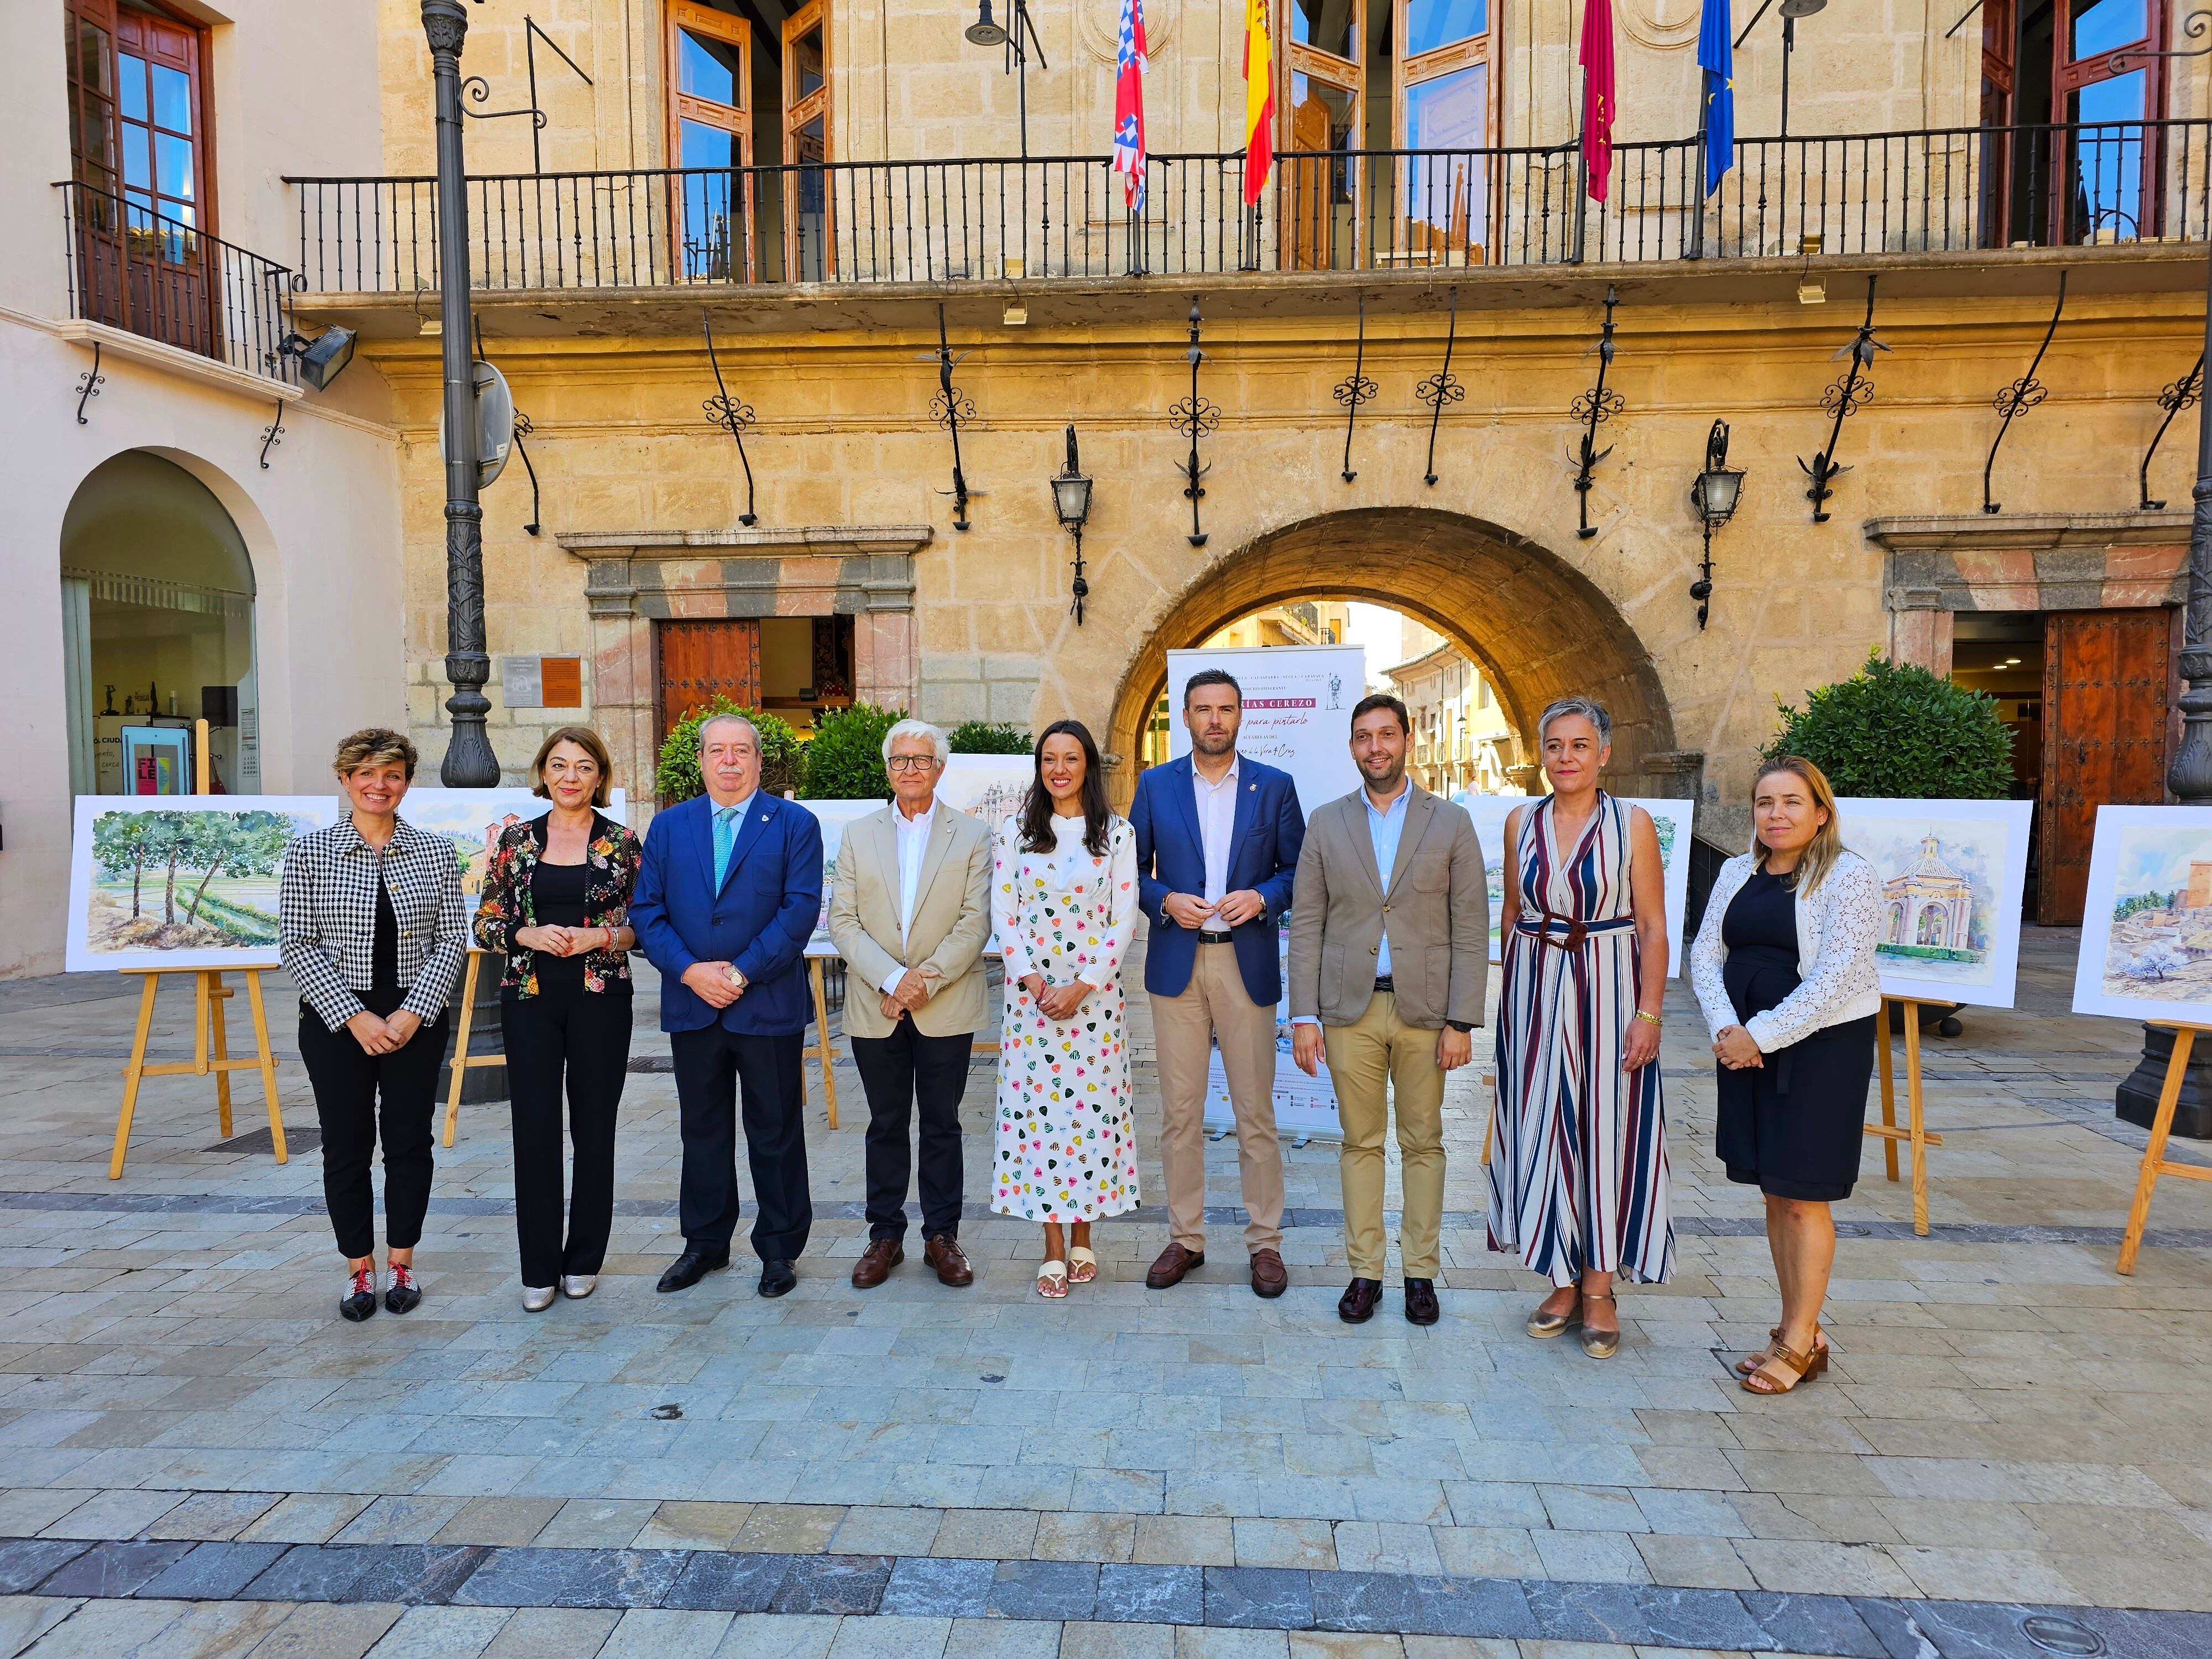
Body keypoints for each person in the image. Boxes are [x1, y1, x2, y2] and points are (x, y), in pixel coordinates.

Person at [1288, 693, 1486, 1328]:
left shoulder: (1449, 822)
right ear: (1352, 747)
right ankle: (1364, 1272)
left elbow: (1471, 927)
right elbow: (1309, 922)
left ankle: (1421, 1273)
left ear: (1406, 741)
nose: (1376, 747)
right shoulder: (1325, 822)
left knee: (1424, 1143)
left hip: (1426, 1013)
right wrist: (1303, 1017)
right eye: (1363, 737)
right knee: (1360, 1143)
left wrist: (1461, 1020)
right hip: (1348, 1011)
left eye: (1386, 735)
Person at [1488, 696, 1674, 1360]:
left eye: (1578, 745)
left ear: (1603, 753)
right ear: (1542, 755)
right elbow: (1512, 913)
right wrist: (1512, 1010)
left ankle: (1599, 1287)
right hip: (1536, 994)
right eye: (1555, 746)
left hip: (1609, 989)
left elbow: (1652, 926)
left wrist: (1647, 1013)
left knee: (1606, 1136)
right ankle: (1559, 1279)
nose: (1565, 758)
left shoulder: (1633, 823)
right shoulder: (1519, 822)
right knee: (1543, 1132)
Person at [1689, 755, 1881, 1395]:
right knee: (1774, 1191)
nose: (1776, 814)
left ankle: (1801, 1341)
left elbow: (1836, 978)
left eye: (1791, 802)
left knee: (1803, 1195)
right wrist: (1726, 1030)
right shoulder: (1735, 870)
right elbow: (1705, 951)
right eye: (1765, 802)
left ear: (1820, 812)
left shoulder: (1849, 876)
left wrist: (1758, 1035)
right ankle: (1794, 1328)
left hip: (1820, 1049)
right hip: (1744, 1046)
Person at [632, 712, 824, 1299]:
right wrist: (692, 971)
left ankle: (779, 1249)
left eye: (742, 750)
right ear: (702, 760)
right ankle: (706, 1245)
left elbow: (799, 912)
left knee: (775, 1132)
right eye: (718, 750)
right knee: (703, 1131)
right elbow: (647, 912)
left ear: (760, 761)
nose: (730, 761)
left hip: (765, 1003)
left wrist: (738, 973)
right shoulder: (668, 828)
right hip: (695, 1006)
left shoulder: (794, 824)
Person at [280, 728, 469, 1323]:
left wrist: (413, 1012)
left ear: (407, 783)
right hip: (338, 1023)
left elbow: (451, 941)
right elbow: (297, 944)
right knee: (347, 1145)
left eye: (391, 775)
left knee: (409, 1143)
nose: (378, 785)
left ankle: (402, 1262)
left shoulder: (436, 853)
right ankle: (359, 1270)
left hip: (416, 1016)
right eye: (366, 774)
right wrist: (355, 1017)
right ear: (345, 780)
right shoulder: (310, 854)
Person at [1129, 669, 1306, 1298]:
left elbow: (1296, 870)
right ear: (1186, 716)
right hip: (1176, 964)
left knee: (1255, 1113)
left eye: (1224, 709)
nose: (1214, 720)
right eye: (1202, 709)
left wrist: (1261, 896)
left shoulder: (1274, 788)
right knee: (1179, 1115)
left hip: (1244, 962)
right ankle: (1185, 1238)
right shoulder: (1154, 785)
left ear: (1240, 715)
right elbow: (1131, 872)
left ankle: (1265, 1244)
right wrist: (1163, 900)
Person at [472, 726, 643, 1312]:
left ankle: (584, 1258)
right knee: (536, 1129)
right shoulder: (516, 841)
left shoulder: (622, 843)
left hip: (601, 997)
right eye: (560, 765)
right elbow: (486, 921)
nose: (571, 776)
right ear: (544, 772)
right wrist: (526, 932)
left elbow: (647, 925)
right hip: (529, 997)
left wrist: (603, 935)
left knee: (595, 1130)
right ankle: (538, 1265)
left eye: (584, 766)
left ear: (600, 777)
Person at [829, 718, 993, 1290]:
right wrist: (893, 979)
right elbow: (842, 921)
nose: (910, 770)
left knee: (943, 1123)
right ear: (887, 768)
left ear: (940, 769)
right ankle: (886, 1234)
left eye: (921, 760)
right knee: (885, 1122)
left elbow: (976, 922)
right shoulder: (857, 834)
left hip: (944, 1002)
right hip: (879, 1004)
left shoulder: (973, 835)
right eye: (899, 760)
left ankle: (941, 1236)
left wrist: (924, 981)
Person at [989, 719, 1140, 1298]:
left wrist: (1081, 986)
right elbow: (1004, 914)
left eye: (1070, 759)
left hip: (1094, 1007)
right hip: (1031, 1009)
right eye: (1048, 759)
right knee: (1043, 1127)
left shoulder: (1118, 836)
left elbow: (1123, 921)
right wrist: (1032, 982)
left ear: (1088, 767)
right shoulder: (1014, 834)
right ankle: (1052, 1247)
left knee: (1087, 1122)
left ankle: (1084, 1236)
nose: (1059, 769)